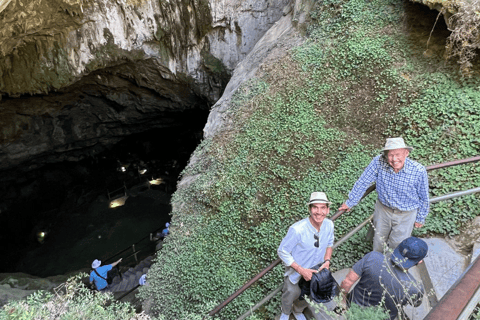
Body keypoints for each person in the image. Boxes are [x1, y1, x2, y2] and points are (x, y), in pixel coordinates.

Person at [338, 137, 429, 252]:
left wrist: (421, 217)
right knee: (378, 242)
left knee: (398, 244)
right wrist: (350, 202)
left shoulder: (418, 171)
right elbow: (363, 181)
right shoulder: (378, 162)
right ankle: (376, 265)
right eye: (390, 155)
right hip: (383, 210)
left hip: (406, 214)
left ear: (406, 153)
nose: (394, 159)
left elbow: (424, 196)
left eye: (398, 154)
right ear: (385, 155)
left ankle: (390, 267)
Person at [277, 192, 335, 320]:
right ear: (309, 209)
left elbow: (329, 245)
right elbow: (282, 251)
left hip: (316, 271)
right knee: (290, 293)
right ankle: (285, 313)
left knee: (309, 295)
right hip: (297, 272)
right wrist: (301, 270)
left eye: (322, 207)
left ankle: (297, 311)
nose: (319, 212)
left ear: (328, 210)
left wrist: (327, 261)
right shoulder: (298, 229)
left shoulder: (329, 225)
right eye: (315, 207)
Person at [339, 237, 427, 320]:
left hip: (353, 308)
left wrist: (343, 302)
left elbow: (347, 282)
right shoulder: (414, 288)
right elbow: (415, 304)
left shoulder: (373, 257)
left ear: (398, 247)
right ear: (419, 261)